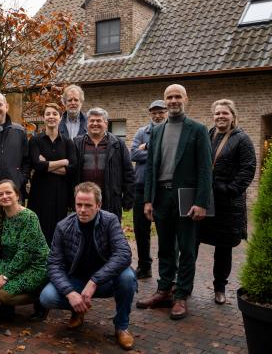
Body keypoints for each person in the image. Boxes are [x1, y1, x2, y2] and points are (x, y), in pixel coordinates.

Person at [137, 84, 212, 320]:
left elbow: (205, 169)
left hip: (186, 197)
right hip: (161, 196)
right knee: (165, 246)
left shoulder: (198, 129)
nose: (173, 100)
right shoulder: (157, 131)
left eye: (177, 96)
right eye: (169, 97)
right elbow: (150, 169)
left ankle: (181, 295)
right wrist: (148, 199)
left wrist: (202, 202)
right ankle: (164, 290)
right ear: (165, 100)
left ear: (186, 99)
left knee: (187, 248)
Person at [39, 182, 136, 351]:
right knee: (47, 297)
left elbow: (124, 254)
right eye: (79, 205)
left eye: (88, 205)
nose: (82, 210)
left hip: (104, 281)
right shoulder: (63, 226)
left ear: (98, 205)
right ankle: (78, 309)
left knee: (128, 278)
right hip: (76, 280)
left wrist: (95, 281)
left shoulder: (110, 220)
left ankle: (121, 326)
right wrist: (69, 292)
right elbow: (54, 264)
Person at [197, 99, 256, 304]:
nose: (220, 116)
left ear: (233, 116)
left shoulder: (242, 139)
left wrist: (229, 189)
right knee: (192, 241)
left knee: (223, 248)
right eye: (217, 113)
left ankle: (219, 288)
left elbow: (247, 169)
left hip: (228, 204)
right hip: (205, 198)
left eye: (225, 113)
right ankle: (184, 284)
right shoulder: (207, 135)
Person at [0, 179, 50, 321]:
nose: (4, 196)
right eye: (0, 194)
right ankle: (7, 308)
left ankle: (41, 298)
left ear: (17, 195)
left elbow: (25, 253)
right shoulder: (0, 214)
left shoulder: (29, 217)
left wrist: (5, 276)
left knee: (3, 294)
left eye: (8, 192)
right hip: (11, 262)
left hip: (35, 267)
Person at [73, 107, 135, 222]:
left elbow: (129, 173)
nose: (95, 124)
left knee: (109, 233)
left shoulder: (118, 144)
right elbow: (71, 173)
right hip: (84, 199)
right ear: (87, 123)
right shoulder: (77, 143)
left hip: (110, 198)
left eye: (98, 121)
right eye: (92, 121)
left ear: (106, 123)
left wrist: (128, 200)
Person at [28, 103, 78, 244]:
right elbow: (37, 166)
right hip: (40, 193)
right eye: (48, 114)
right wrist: (63, 161)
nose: (51, 117)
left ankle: (56, 262)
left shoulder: (68, 142)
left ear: (60, 117)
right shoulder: (35, 140)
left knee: (58, 230)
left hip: (60, 194)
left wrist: (47, 164)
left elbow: (73, 168)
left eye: (55, 114)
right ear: (43, 118)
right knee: (38, 230)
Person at [130, 100, 168, 279]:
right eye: (154, 112)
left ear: (166, 113)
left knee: (164, 230)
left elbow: (168, 155)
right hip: (141, 186)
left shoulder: (170, 132)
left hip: (162, 188)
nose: (157, 115)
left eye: (161, 112)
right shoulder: (141, 132)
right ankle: (144, 266)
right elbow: (133, 154)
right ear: (150, 114)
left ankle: (165, 269)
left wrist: (147, 147)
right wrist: (155, 151)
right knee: (141, 229)